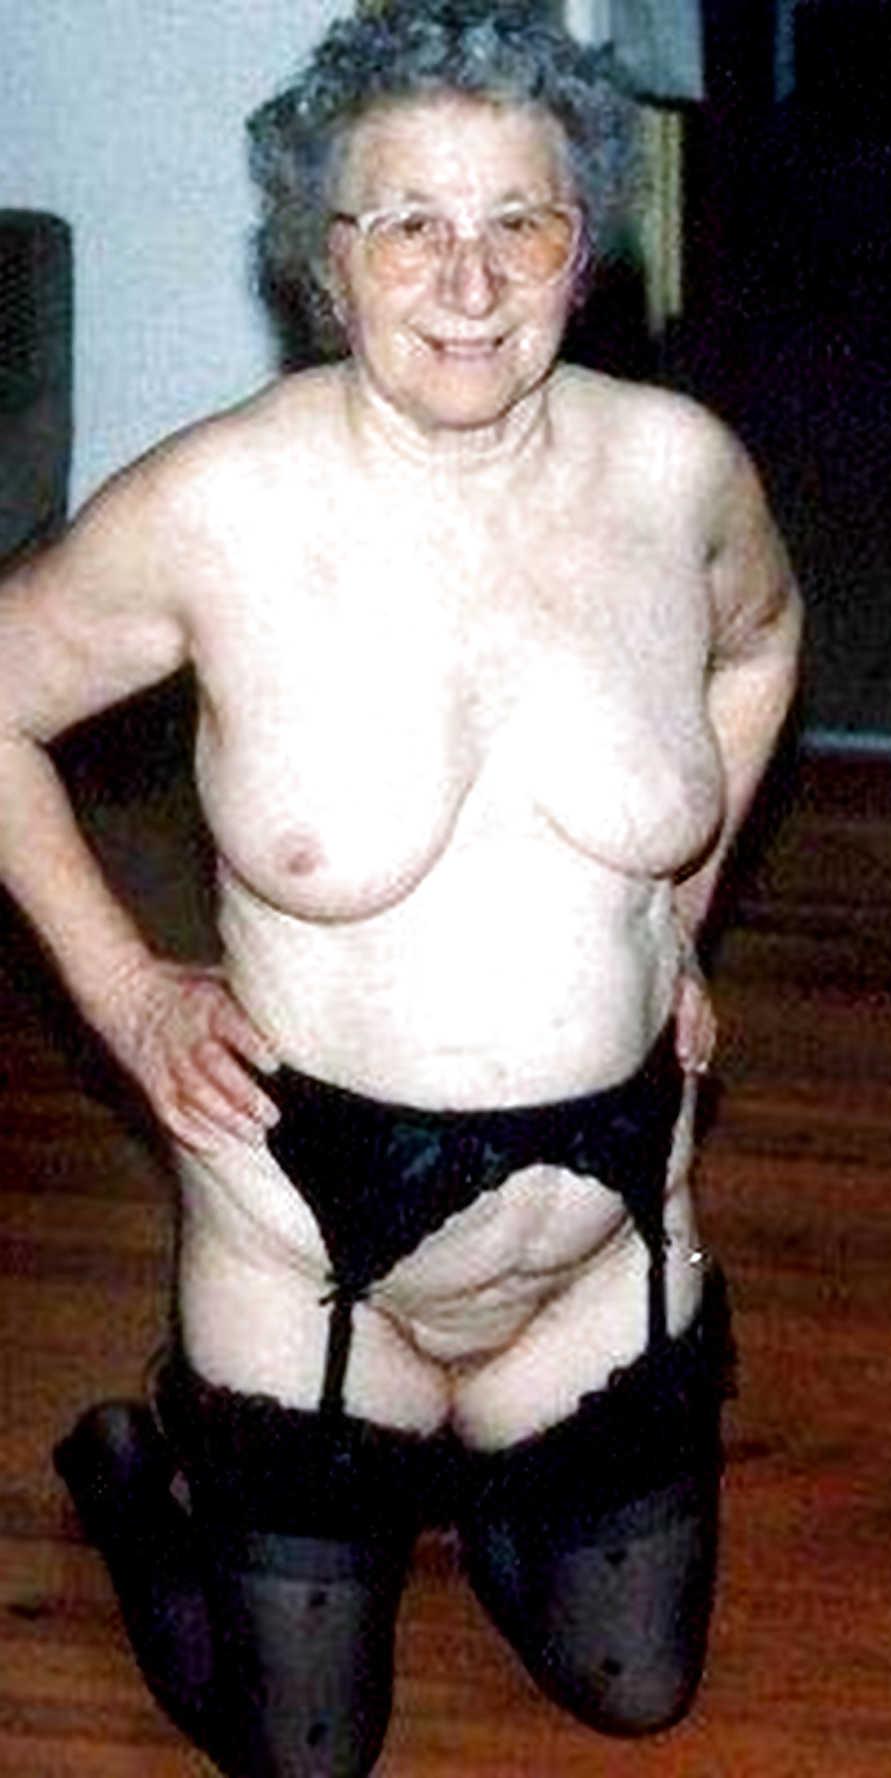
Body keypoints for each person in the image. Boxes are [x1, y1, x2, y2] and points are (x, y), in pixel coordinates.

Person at [0, 3, 801, 1773]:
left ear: (582, 249)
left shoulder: (678, 472)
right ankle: (146, 1477)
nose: (468, 280)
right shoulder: (215, 508)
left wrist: (681, 902)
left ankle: (467, 1475)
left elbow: (762, 642)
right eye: (407, 224)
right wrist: (128, 988)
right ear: (324, 258)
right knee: (307, 1754)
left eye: (519, 219)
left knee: (637, 1687)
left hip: (605, 1222)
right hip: (311, 1234)